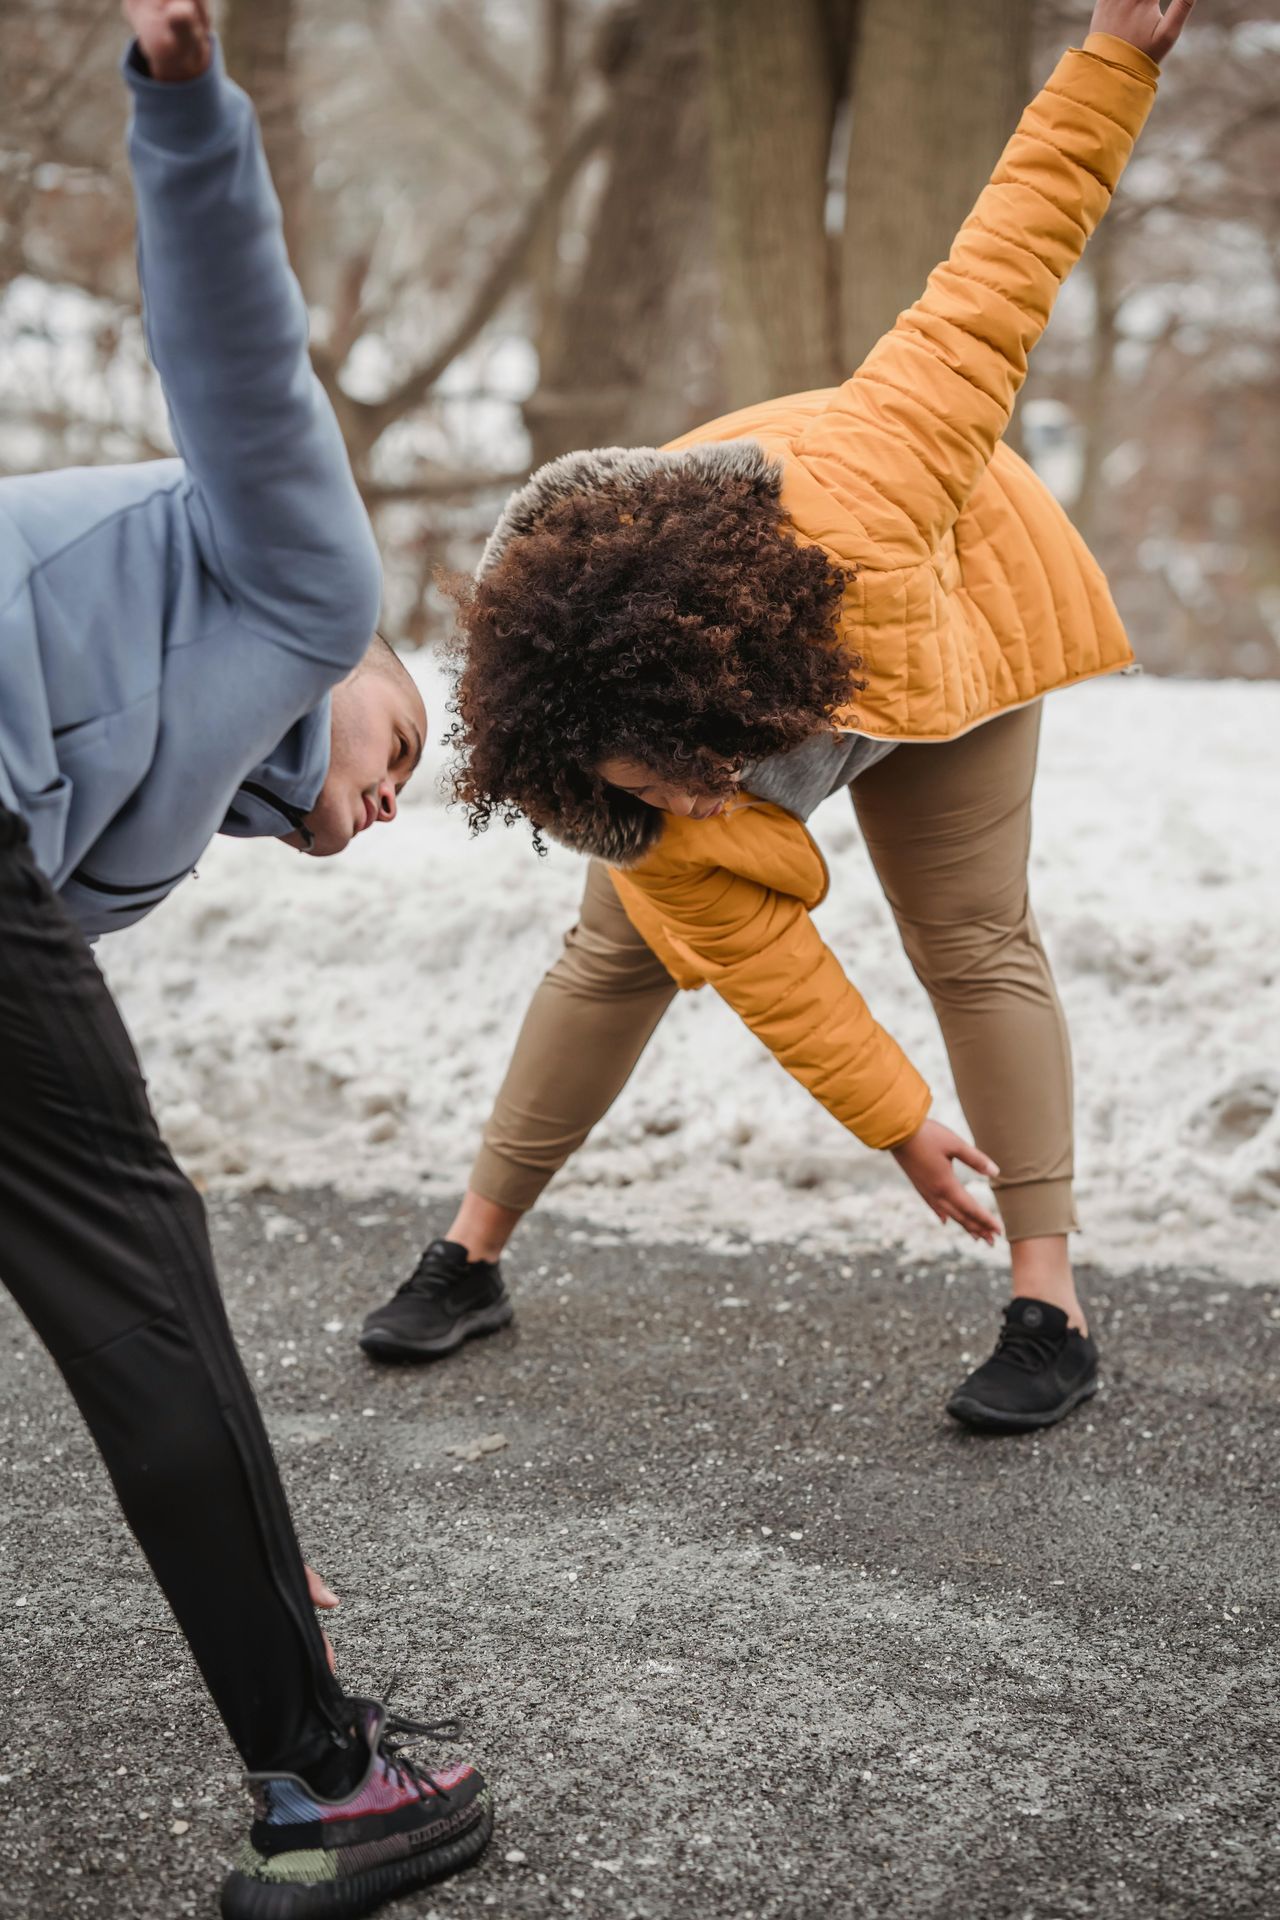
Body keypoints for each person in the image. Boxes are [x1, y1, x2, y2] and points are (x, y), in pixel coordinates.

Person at [361, 0, 1194, 1435]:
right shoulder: (625, 776)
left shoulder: (881, 476)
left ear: (719, 695)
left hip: (946, 611)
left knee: (973, 937)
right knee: (613, 948)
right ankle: (473, 1247)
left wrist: (1114, 59)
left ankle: (1049, 1303)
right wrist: (901, 1130)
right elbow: (766, 963)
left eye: (691, 774)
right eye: (647, 790)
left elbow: (1005, 263)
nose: (691, 805)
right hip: (758, 651)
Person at [0, 4, 491, 1914]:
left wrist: (242, 1517)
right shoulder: (304, 586)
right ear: (363, 681)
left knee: (140, 1301)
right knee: (145, 1275)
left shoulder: (149, 818)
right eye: (404, 753)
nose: (383, 806)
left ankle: (272, 1643)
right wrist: (183, 95)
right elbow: (234, 353)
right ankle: (331, 1779)